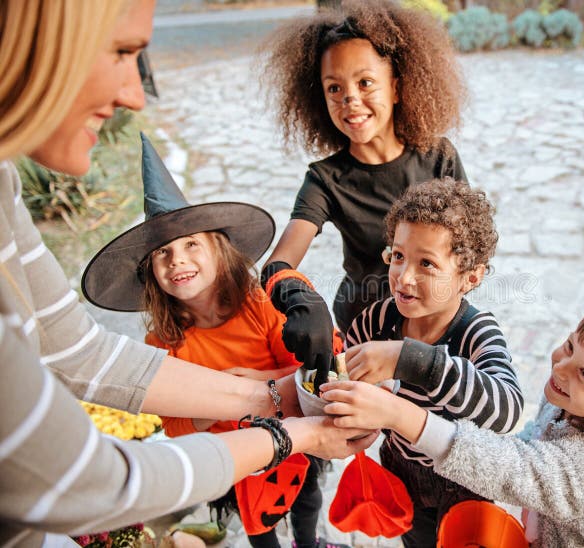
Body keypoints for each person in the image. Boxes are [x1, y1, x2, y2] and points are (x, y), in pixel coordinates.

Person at [0, 2, 375, 545]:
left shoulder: (5, 184)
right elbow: (84, 485)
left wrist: (269, 396)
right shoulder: (165, 337)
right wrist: (283, 430)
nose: (135, 95)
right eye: (124, 52)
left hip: (267, 447)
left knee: (305, 509)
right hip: (244, 461)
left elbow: (77, 352)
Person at [324, 244, 584, 546]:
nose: (560, 367)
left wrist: (398, 414)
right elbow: (528, 446)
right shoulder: (571, 403)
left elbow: (516, 467)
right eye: (569, 347)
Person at [81, 133, 347, 548]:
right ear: (151, 273)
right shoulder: (162, 341)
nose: (178, 261)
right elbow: (175, 427)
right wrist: (208, 406)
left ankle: (309, 541)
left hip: (293, 431)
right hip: (233, 453)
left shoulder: (257, 304)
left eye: (190, 244)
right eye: (162, 254)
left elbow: (301, 370)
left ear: (219, 252)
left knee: (307, 499)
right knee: (258, 526)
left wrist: (247, 379)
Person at [256, 0, 469, 387]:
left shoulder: (439, 157)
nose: (349, 99)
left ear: (397, 87)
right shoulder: (325, 179)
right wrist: (294, 292)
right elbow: (280, 261)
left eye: (365, 82)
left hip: (437, 324)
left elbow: (468, 248)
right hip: (364, 327)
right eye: (334, 88)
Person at [326, 179, 524, 546]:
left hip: (465, 482)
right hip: (402, 471)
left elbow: (507, 409)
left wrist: (412, 360)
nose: (404, 277)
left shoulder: (475, 332)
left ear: (470, 277)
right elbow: (342, 371)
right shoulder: (377, 320)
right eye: (398, 256)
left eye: (427, 263)